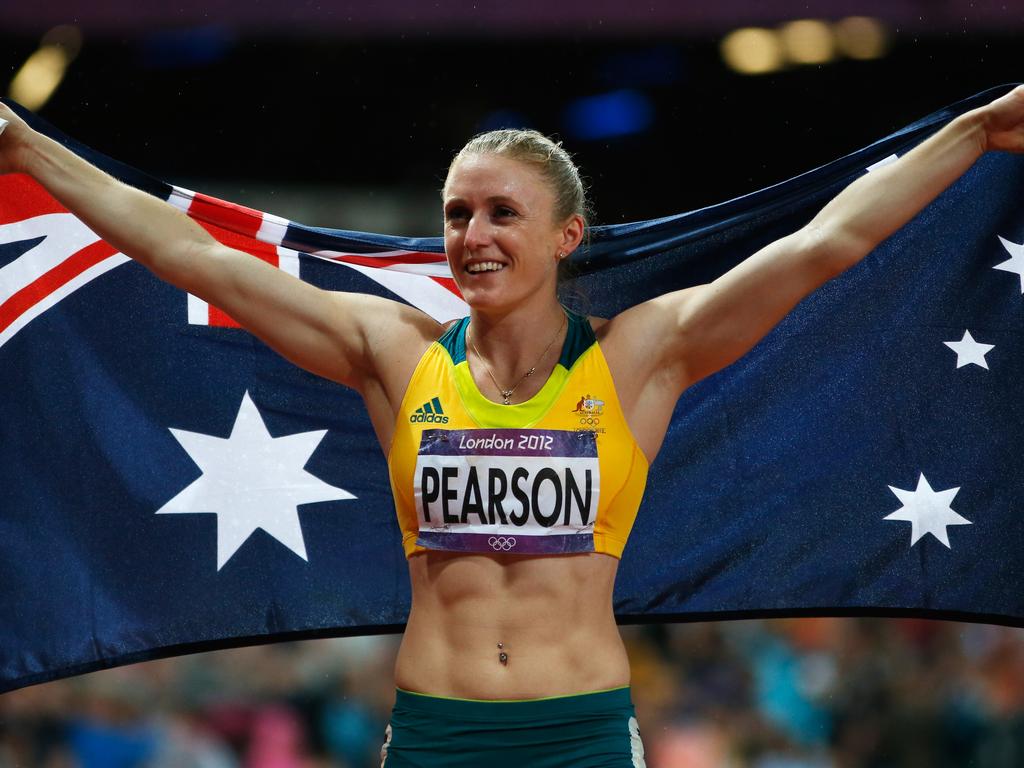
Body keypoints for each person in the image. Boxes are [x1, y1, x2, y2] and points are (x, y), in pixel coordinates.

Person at [1, 85, 1023, 767]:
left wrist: (974, 133)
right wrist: (27, 148)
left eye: (499, 213)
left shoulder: (641, 354)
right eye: (455, 214)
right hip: (436, 728)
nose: (471, 236)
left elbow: (827, 242)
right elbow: (200, 261)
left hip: (576, 731)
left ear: (565, 235)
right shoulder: (394, 352)